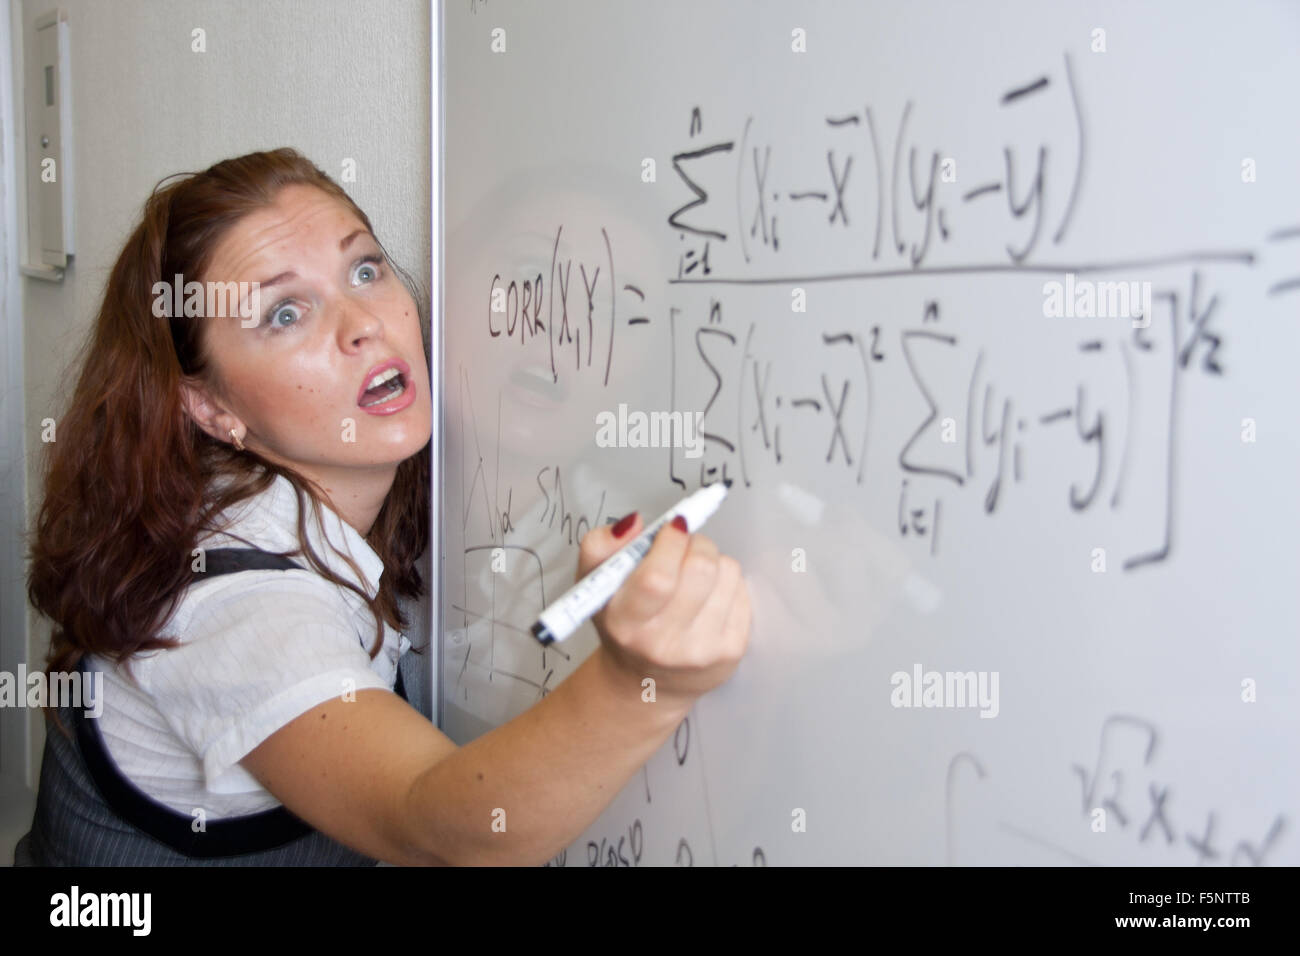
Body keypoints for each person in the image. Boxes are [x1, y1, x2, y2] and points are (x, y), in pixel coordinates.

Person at [15, 148, 752, 866]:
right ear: (209, 407)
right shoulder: (232, 602)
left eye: (364, 269)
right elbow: (430, 827)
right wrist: (639, 686)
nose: (362, 323)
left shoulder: (368, 499)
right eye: (283, 313)